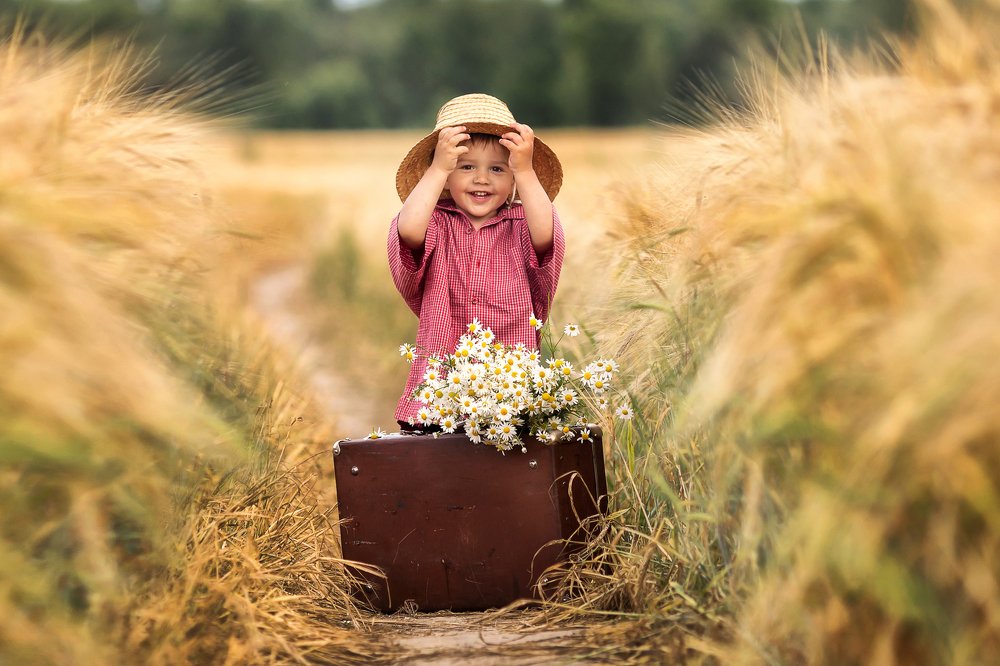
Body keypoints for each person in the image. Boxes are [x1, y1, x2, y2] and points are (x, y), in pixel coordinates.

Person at [388, 93, 565, 429]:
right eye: (466, 166)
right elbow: (407, 231)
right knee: (434, 461)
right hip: (440, 395)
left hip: (508, 395)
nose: (482, 178)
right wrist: (438, 168)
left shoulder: (522, 224)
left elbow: (546, 237)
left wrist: (526, 170)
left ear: (512, 181)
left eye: (498, 169)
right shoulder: (436, 222)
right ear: (446, 178)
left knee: (510, 460)